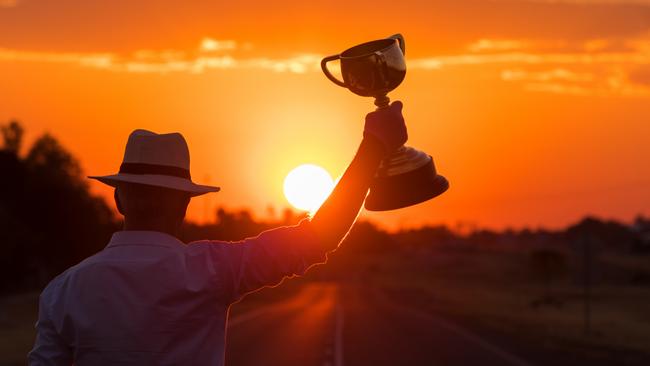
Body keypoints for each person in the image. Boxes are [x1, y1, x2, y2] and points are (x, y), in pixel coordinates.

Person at [28, 101, 407, 365]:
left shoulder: (63, 290)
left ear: (118, 200)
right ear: (184, 205)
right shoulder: (212, 269)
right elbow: (320, 236)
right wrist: (373, 147)